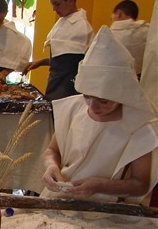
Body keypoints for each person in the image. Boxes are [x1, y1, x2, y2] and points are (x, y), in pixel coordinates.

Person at [41, 26, 158, 203]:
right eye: (87, 96)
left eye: (104, 101)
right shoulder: (74, 108)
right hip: (60, 197)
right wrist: (51, 165)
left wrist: (100, 186)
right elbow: (52, 150)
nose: (93, 106)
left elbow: (140, 184)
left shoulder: (138, 125)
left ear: (122, 94)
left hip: (105, 207)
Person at [22, 0, 94, 101]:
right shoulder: (65, 20)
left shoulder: (81, 28)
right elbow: (62, 60)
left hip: (67, 90)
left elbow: (70, 64)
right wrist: (40, 62)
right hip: (56, 84)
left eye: (57, 4)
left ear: (70, 0)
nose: (54, 9)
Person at [110, 0, 149, 76]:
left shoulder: (109, 34)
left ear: (119, 13)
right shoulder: (147, 31)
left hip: (114, 78)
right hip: (138, 80)